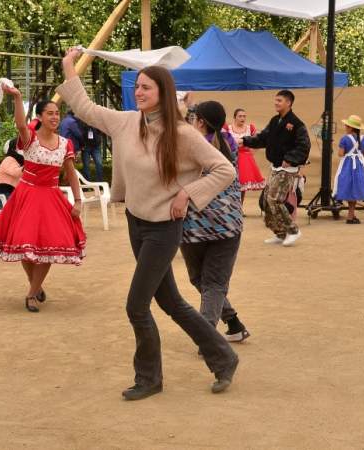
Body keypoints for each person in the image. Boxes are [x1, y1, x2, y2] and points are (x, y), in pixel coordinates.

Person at [57, 48, 238, 400]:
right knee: (170, 301)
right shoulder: (126, 122)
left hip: (163, 229)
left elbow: (224, 170)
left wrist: (188, 194)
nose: (139, 92)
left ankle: (149, 378)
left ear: (163, 94)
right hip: (136, 223)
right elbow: (86, 109)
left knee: (136, 306)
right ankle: (224, 357)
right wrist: (69, 66)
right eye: (138, 86)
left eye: (147, 88)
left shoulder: (183, 134)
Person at [0, 90, 86, 314]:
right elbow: (20, 124)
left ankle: (31, 293)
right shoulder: (30, 139)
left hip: (51, 197)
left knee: (46, 250)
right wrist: (18, 98)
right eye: (50, 113)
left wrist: (77, 200)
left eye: (57, 113)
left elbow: (71, 173)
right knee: (25, 247)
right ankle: (36, 286)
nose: (55, 117)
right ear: (40, 116)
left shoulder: (65, 143)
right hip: (26, 196)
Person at [183, 101, 250, 344]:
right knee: (213, 283)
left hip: (193, 227)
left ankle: (208, 339)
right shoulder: (229, 142)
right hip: (229, 225)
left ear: (200, 121)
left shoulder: (192, 147)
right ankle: (233, 323)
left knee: (205, 281)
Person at [240, 90, 310, 247]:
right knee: (266, 201)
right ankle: (280, 233)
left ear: (288, 103)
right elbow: (263, 138)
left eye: (279, 100)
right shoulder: (274, 121)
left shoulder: (297, 124)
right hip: (275, 167)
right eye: (275, 100)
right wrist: (245, 141)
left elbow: (304, 145)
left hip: (287, 169)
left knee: (275, 199)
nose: (276, 103)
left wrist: (290, 159)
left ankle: (293, 231)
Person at [333, 114, 364, 224]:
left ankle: (350, 216)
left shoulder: (345, 139)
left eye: (346, 126)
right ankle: (352, 215)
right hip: (360, 166)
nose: (345, 127)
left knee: (348, 188)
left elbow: (340, 154)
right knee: (355, 189)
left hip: (347, 166)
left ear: (350, 127)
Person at [224, 108, 265, 205]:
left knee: (242, 184)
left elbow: (258, 142)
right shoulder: (228, 128)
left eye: (244, 116)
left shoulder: (249, 128)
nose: (242, 118)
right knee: (230, 183)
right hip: (231, 158)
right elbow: (223, 142)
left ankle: (239, 206)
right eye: (240, 116)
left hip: (245, 159)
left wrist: (251, 153)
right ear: (235, 117)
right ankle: (230, 205)